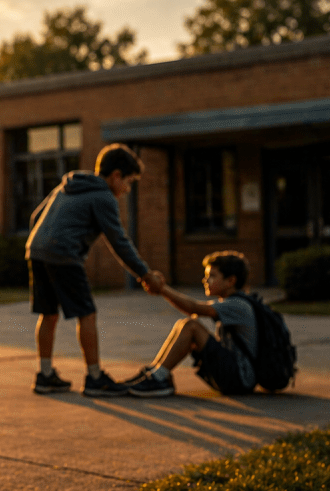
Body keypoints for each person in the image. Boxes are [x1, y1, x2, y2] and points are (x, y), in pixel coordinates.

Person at [26, 143, 165, 398]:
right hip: (64, 254)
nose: (127, 189)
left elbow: (36, 217)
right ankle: (95, 378)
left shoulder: (66, 186)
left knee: (48, 313)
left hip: (36, 250)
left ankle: (45, 375)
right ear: (116, 176)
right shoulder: (103, 197)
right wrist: (145, 274)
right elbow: (119, 242)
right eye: (129, 182)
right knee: (86, 314)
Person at [128, 251, 257, 397]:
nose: (205, 280)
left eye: (212, 276)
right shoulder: (232, 302)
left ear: (230, 281)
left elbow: (193, 308)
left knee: (192, 326)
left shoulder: (238, 304)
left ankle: (159, 377)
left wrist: (162, 289)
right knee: (183, 325)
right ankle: (154, 372)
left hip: (240, 378)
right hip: (236, 376)